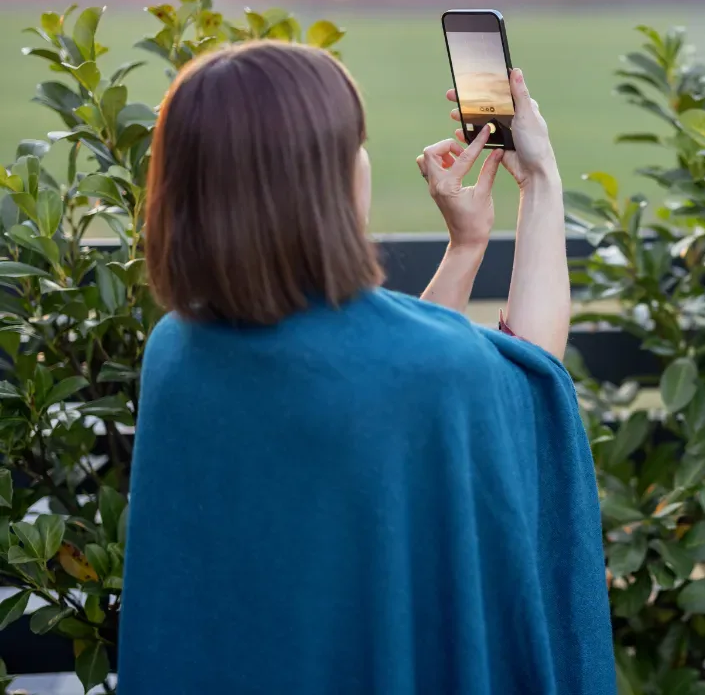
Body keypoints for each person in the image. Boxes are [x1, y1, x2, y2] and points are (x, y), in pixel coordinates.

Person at [118, 40, 615, 694]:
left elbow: (392, 380)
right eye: (357, 143)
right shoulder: (422, 371)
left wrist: (466, 248)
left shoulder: (178, 352)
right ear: (322, 181)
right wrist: (542, 180)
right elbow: (529, 378)